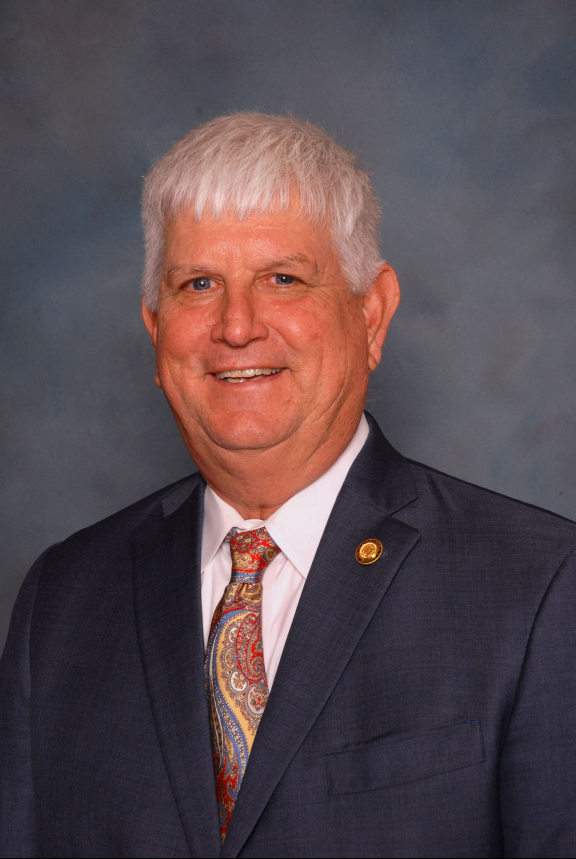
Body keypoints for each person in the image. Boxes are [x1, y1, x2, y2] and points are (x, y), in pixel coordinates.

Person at [1, 112, 575, 859]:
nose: (237, 326)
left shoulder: (540, 586)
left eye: (283, 279)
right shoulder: (64, 600)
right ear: (155, 327)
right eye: (198, 283)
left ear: (371, 314)